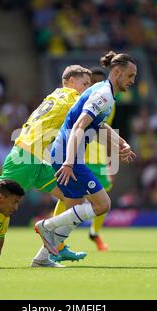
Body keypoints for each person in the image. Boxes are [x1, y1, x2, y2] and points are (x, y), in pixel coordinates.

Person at [34, 51, 137, 256]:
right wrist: (70, 162)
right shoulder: (103, 95)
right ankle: (47, 225)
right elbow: (79, 127)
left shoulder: (105, 92)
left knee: (74, 209)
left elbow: (99, 126)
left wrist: (121, 143)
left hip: (64, 153)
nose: (133, 81)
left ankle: (42, 257)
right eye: (130, 76)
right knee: (102, 204)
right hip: (68, 155)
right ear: (116, 72)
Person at [0, 65, 92, 267]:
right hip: (25, 157)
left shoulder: (54, 96)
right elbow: (92, 108)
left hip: (35, 160)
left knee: (73, 196)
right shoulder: (70, 96)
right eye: (85, 84)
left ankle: (51, 252)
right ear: (70, 81)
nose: (87, 89)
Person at [50, 67, 114, 260]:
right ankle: (51, 233)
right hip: (72, 155)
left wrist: (112, 152)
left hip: (95, 155)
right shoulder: (75, 99)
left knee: (82, 198)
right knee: (74, 199)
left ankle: (91, 233)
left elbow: (101, 127)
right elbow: (74, 125)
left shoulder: (108, 102)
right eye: (87, 83)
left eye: (93, 83)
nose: (90, 87)